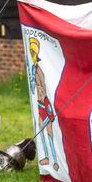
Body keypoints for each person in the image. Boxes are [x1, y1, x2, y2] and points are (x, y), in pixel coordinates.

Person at [29, 37, 59, 171]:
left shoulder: (39, 70)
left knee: (50, 133)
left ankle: (56, 160)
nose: (31, 55)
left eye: (33, 52)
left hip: (45, 105)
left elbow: (44, 89)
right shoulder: (33, 69)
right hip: (39, 105)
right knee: (41, 132)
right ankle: (46, 156)